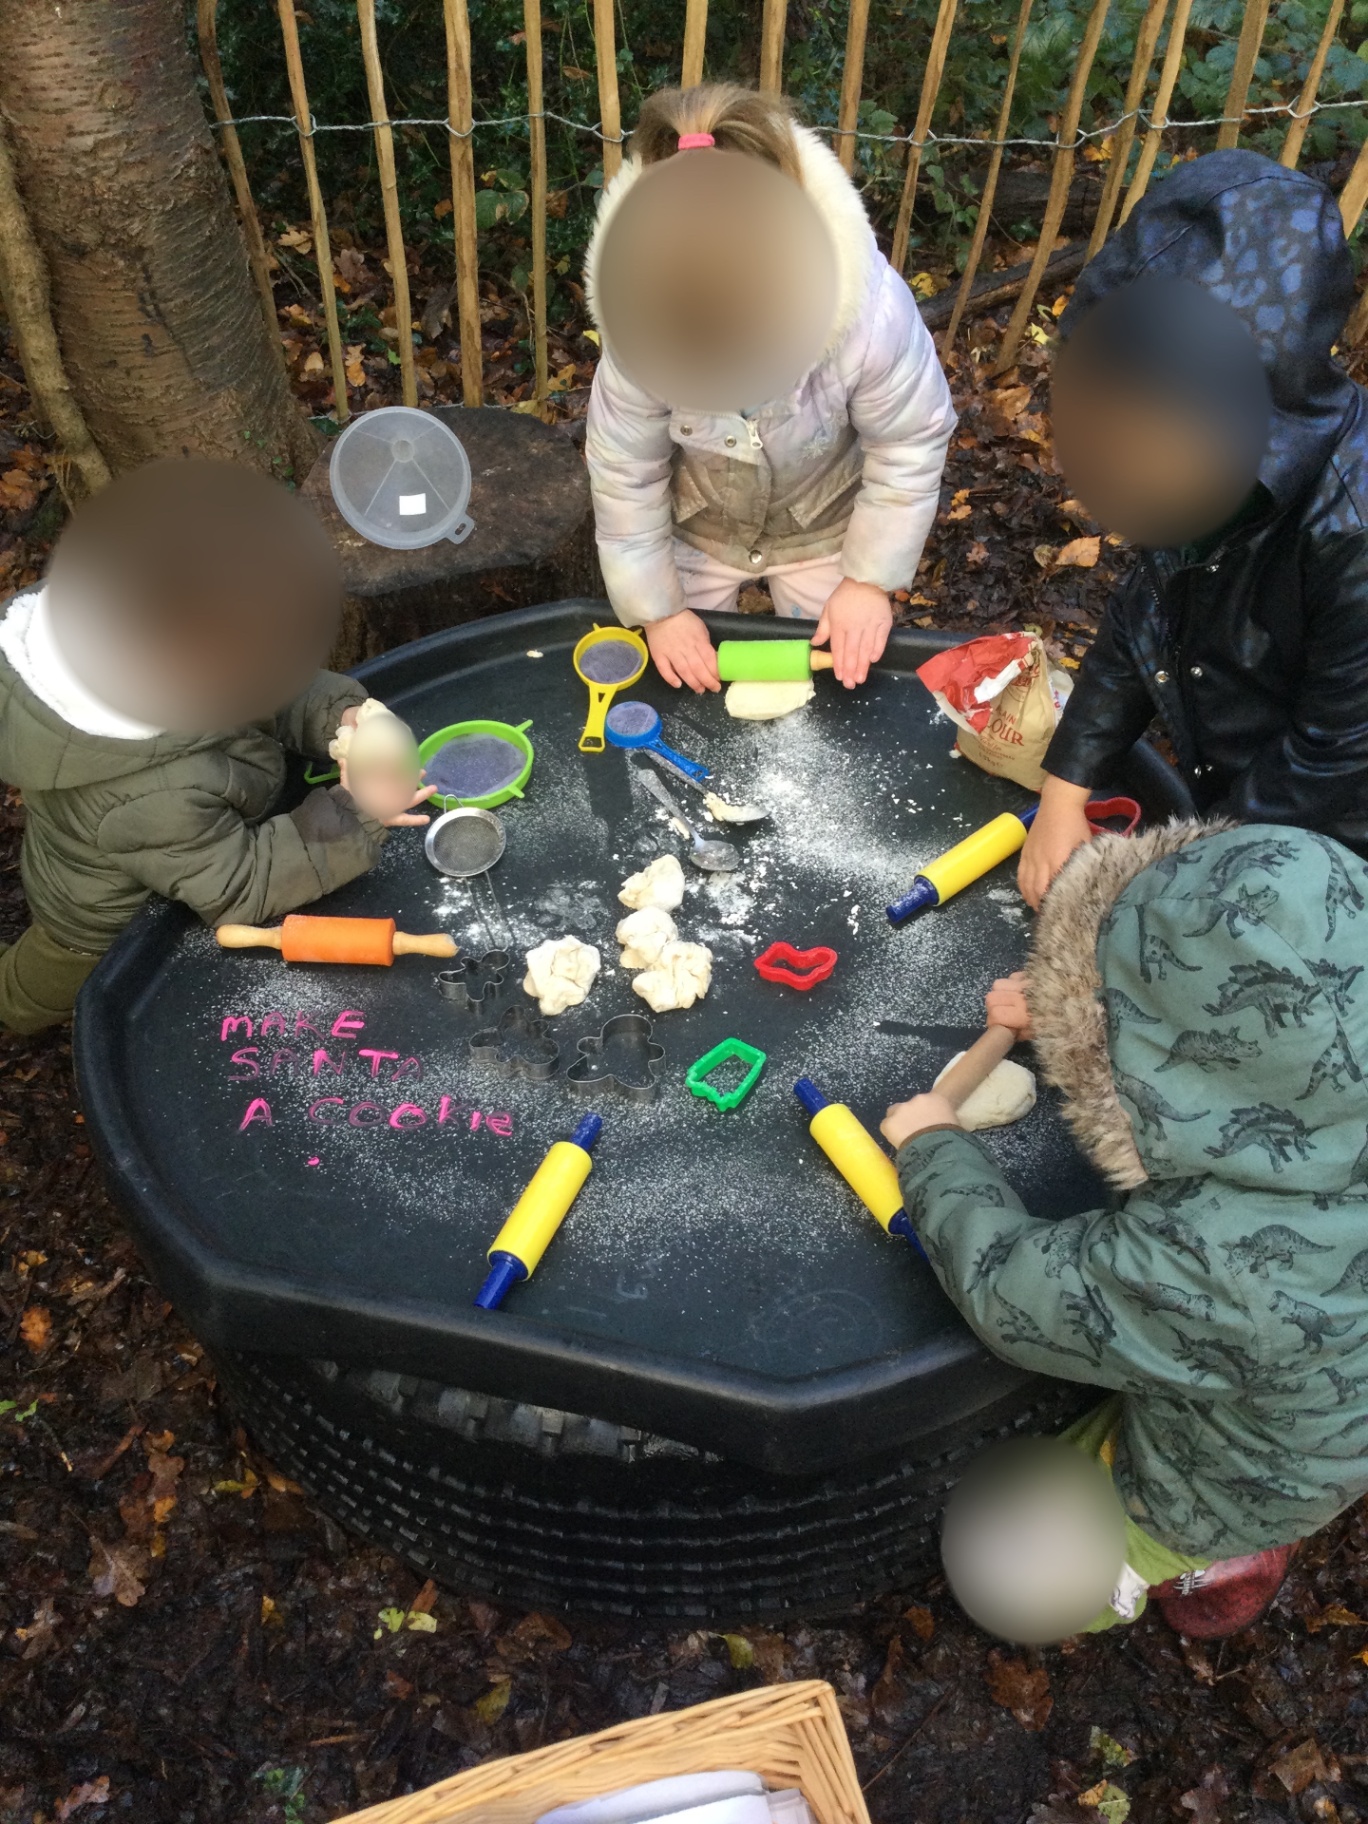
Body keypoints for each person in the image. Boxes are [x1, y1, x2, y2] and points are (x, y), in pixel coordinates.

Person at [882, 818, 1368, 1639]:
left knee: (1022, 1553)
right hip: (1320, 1411)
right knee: (1252, 1393)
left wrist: (933, 1148)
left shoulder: (1218, 1263)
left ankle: (1186, 1563)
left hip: (1227, 1484)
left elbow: (1013, 1293)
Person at [1018, 148, 1368, 910]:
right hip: (1230, 787)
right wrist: (1064, 787)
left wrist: (1162, 909)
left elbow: (1327, 759)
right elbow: (1139, 619)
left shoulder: (1351, 531)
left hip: (1331, 843)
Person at [0, 459, 430, 1036]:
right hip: (103, 916)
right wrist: (357, 816)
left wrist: (343, 717)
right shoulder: (148, 794)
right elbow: (240, 884)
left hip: (168, 843)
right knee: (44, 988)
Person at [584, 83, 955, 694]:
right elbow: (626, 471)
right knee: (676, 672)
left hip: (824, 522)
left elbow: (909, 443)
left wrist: (870, 581)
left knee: (836, 675)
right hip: (700, 523)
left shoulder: (871, 315)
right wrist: (658, 611)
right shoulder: (639, 314)